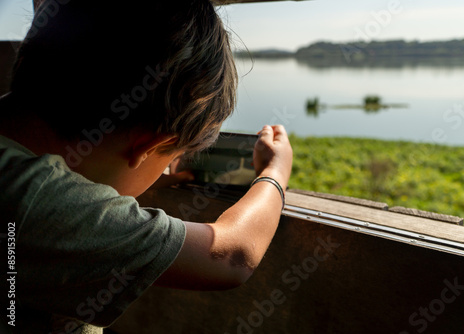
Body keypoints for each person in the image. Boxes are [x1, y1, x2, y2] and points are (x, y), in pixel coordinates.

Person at [0, 0, 293, 333]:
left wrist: (151, 177)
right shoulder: (36, 199)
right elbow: (233, 258)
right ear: (146, 146)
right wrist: (274, 172)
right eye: (168, 156)